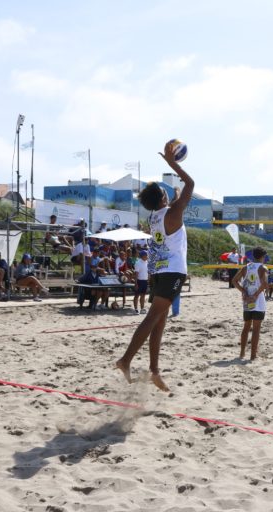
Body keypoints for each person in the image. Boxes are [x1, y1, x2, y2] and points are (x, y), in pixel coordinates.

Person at [116, 142, 194, 392]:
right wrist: (173, 165)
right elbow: (190, 186)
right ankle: (125, 359)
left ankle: (154, 371)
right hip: (171, 271)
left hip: (159, 272)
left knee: (159, 321)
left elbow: (178, 201)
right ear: (163, 198)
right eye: (164, 191)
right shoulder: (172, 213)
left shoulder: (155, 216)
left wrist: (176, 196)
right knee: (153, 318)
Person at [232, 246, 269, 360]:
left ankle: (242, 353)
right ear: (262, 257)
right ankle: (253, 356)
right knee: (256, 329)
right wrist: (255, 295)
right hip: (257, 302)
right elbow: (264, 285)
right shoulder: (263, 268)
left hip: (247, 302)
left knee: (246, 327)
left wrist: (245, 292)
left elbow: (234, 281)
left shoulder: (246, 267)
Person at [133, 250, 149, 314]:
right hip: (139, 281)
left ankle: (142, 308)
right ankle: (136, 309)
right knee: (137, 295)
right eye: (146, 255)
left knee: (143, 295)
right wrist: (136, 283)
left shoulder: (147, 262)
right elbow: (136, 274)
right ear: (143, 256)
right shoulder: (138, 263)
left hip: (145, 281)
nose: (147, 256)